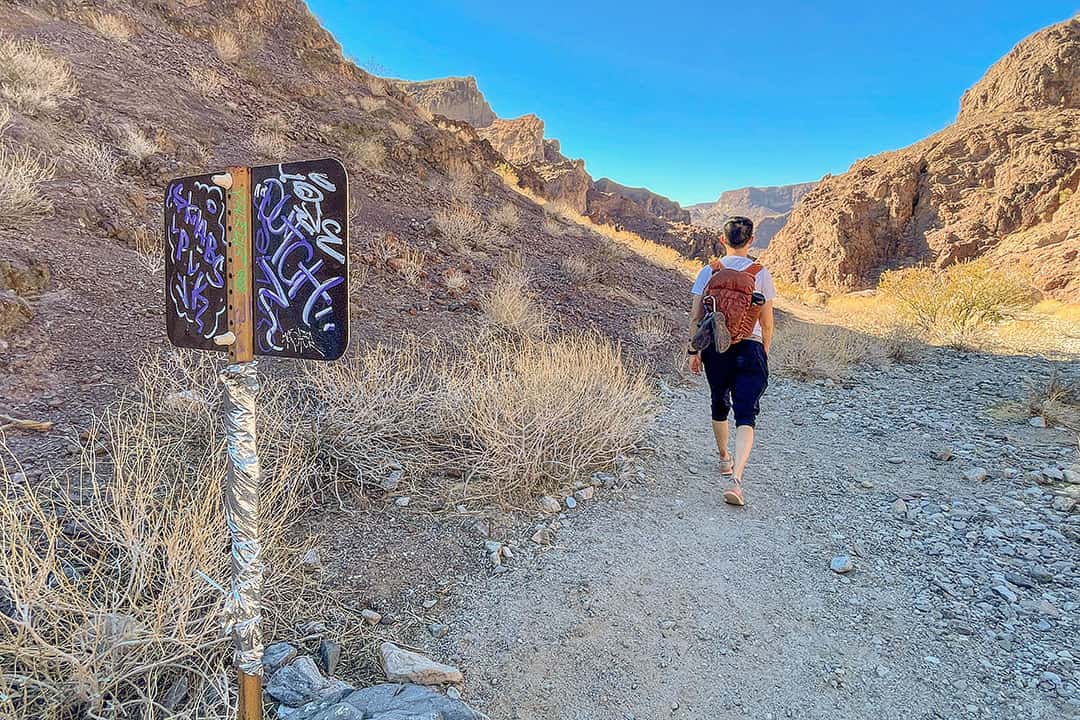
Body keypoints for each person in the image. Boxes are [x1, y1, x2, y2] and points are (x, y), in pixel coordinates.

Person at [687, 216, 776, 506]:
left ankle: (724, 458)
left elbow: (696, 318)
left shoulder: (708, 271)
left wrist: (695, 351)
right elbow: (768, 321)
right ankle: (736, 479)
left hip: (716, 347)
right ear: (751, 241)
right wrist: (764, 350)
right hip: (750, 347)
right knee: (746, 414)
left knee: (719, 401)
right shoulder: (760, 272)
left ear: (722, 240)